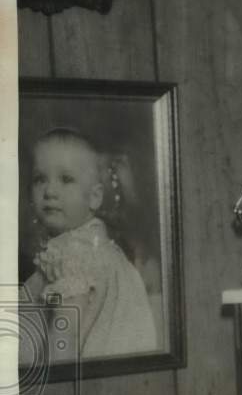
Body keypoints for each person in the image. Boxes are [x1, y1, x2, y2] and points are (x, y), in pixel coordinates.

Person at [23, 128, 156, 360]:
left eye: (66, 179)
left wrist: (53, 384)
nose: (50, 191)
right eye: (40, 179)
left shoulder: (74, 256)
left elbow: (66, 337)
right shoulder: (90, 246)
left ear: (94, 197)